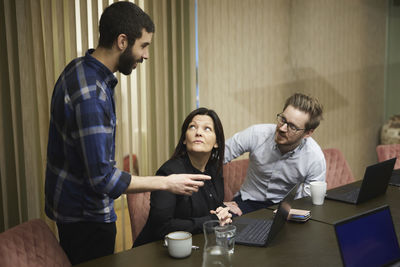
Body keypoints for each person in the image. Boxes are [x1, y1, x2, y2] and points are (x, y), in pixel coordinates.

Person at [44, 2, 209, 265]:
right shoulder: (92, 96)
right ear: (122, 41)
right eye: (143, 46)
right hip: (87, 220)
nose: (146, 55)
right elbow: (103, 180)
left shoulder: (78, 69)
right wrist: (166, 182)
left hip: (70, 210)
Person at [134, 107, 238, 247]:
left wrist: (223, 211)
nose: (199, 133)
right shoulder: (170, 172)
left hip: (195, 246)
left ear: (217, 143)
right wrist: (212, 221)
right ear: (184, 139)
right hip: (156, 251)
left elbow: (213, 207)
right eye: (192, 127)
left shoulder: (214, 169)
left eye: (207, 129)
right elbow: (162, 228)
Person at [224, 93, 326, 214]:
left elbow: (309, 199)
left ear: (308, 133)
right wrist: (216, 201)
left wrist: (291, 212)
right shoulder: (257, 134)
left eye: (292, 127)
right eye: (282, 119)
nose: (282, 128)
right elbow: (217, 157)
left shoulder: (314, 157)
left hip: (286, 207)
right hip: (247, 202)